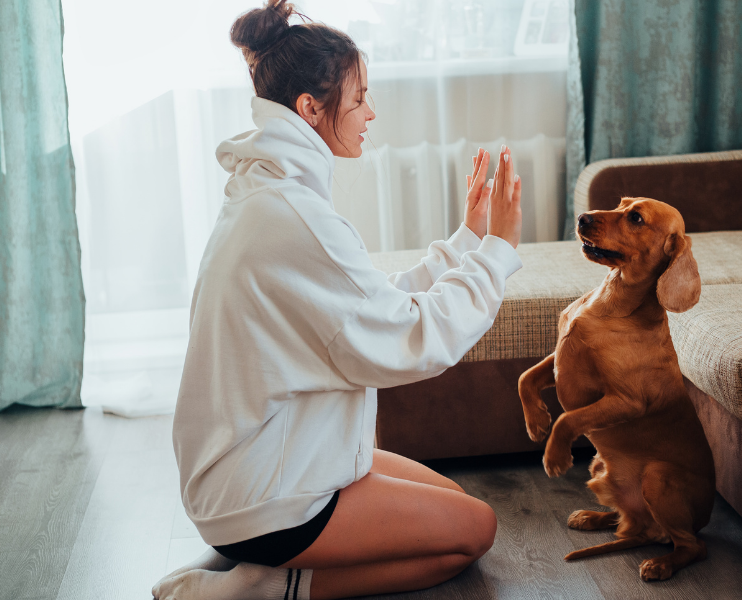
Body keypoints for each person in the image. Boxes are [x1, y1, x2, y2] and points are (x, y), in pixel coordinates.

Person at [152, 1, 524, 599]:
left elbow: (364, 308)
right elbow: (412, 339)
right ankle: (255, 589)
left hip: (272, 460)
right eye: (359, 100)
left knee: (452, 505)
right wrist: (498, 251)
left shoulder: (272, 192)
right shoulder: (293, 216)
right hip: (261, 495)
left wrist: (467, 242)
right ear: (309, 109)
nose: (371, 113)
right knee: (473, 529)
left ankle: (248, 566)